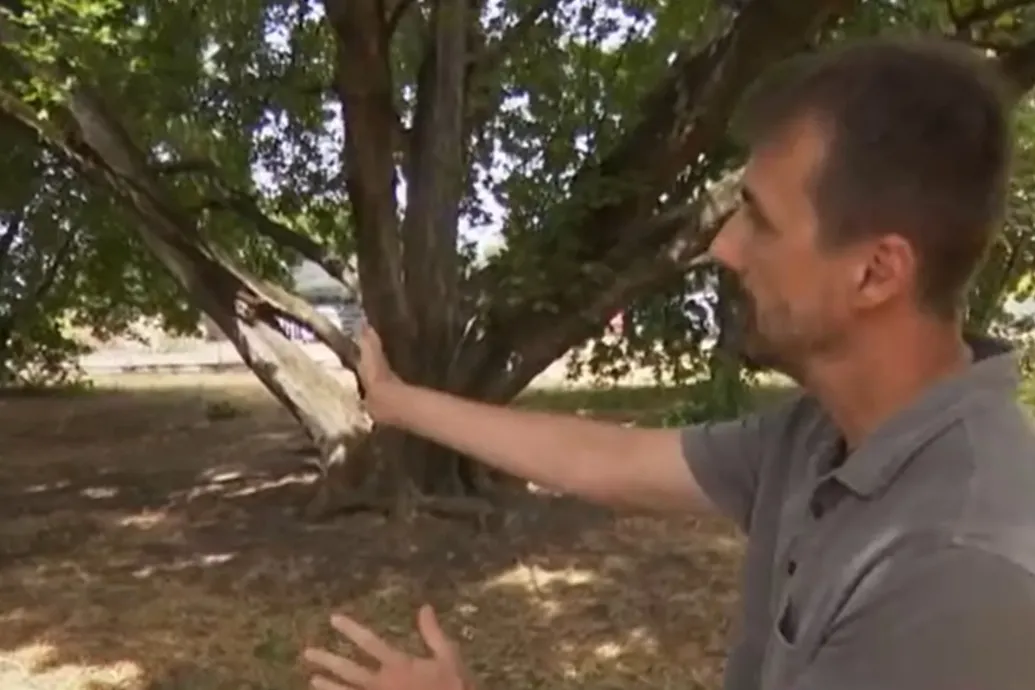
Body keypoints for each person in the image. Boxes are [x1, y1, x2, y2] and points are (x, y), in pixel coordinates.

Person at [303, 36, 1035, 690]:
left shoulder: (955, 568)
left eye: (760, 219)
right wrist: (396, 401)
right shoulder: (821, 435)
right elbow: (607, 460)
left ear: (875, 273)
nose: (723, 248)